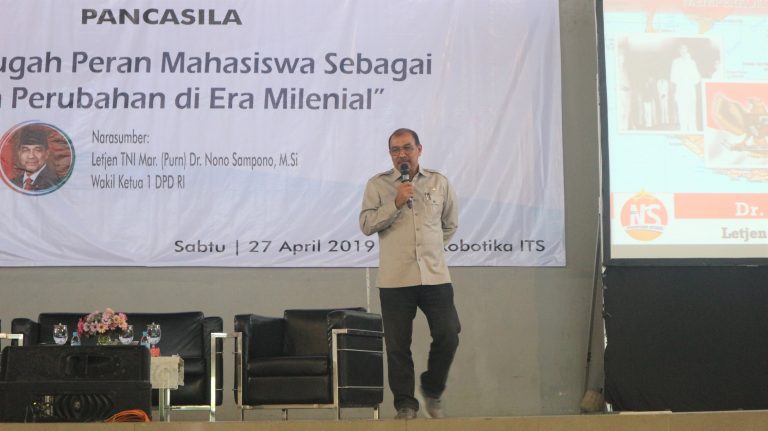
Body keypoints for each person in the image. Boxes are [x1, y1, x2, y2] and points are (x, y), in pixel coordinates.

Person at [359, 128, 461, 420]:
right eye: (395, 150)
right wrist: (395, 203)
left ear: (419, 149)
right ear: (390, 154)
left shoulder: (439, 182)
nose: (401, 154)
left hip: (434, 276)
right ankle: (406, 404)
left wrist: (430, 250)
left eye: (406, 148)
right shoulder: (377, 185)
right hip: (395, 279)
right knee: (397, 346)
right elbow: (366, 224)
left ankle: (432, 387)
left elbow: (449, 224)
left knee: (449, 333)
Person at [11, 127, 61, 192]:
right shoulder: (12, 183)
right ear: (19, 153)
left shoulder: (56, 183)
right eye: (25, 150)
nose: (31, 156)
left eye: (37, 150)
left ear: (47, 154)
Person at [669, 44, 701, 132]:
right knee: (682, 109)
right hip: (681, 88)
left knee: (691, 109)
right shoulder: (676, 62)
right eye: (681, 49)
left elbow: (697, 78)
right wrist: (681, 79)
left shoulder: (692, 62)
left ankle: (692, 129)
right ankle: (683, 128)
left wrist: (691, 79)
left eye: (685, 49)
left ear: (688, 50)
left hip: (690, 88)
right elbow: (672, 77)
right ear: (679, 51)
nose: (683, 51)